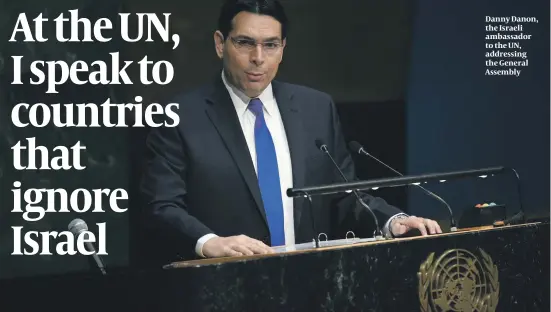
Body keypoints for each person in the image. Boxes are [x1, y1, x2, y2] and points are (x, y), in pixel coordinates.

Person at [139, 0, 442, 263]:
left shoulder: (315, 108)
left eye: (270, 45)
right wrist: (208, 242)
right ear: (220, 44)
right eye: (244, 43)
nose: (258, 57)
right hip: (223, 287)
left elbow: (344, 195)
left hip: (307, 285)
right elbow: (161, 206)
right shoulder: (180, 117)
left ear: (283, 49)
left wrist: (392, 220)